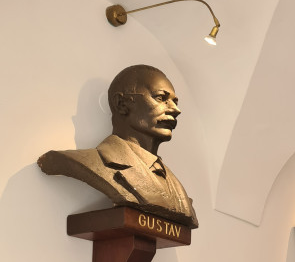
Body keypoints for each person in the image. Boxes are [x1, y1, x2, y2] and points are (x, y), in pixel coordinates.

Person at [38, 65, 198, 228]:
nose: (175, 110)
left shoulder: (173, 182)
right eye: (160, 98)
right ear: (121, 104)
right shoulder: (90, 162)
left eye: (175, 102)